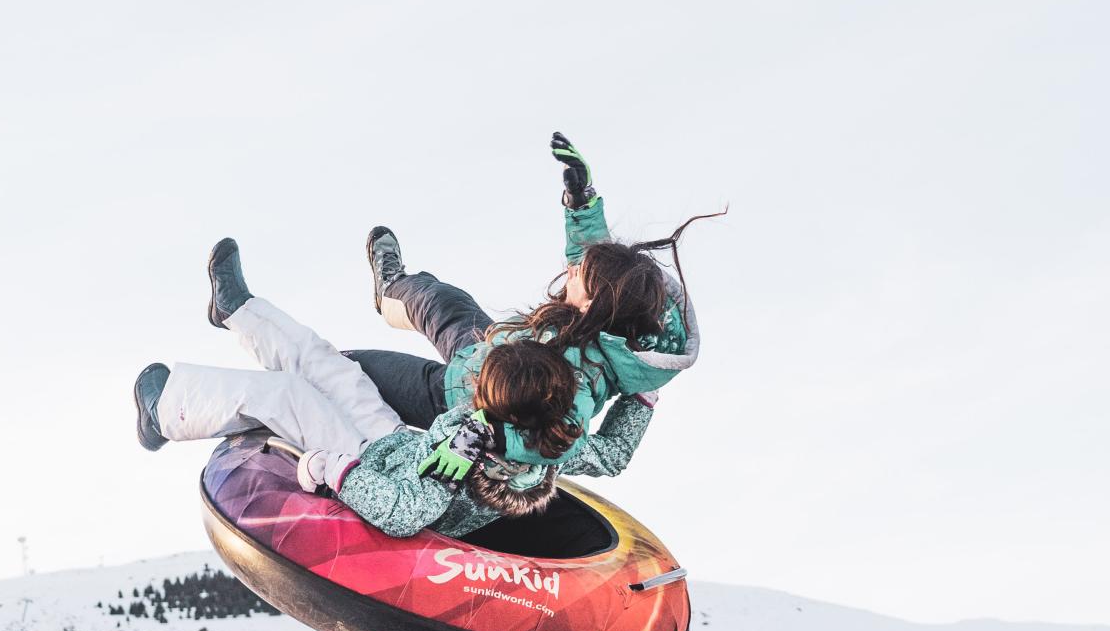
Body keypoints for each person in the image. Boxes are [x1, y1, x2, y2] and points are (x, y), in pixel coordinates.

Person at [133, 239, 577, 539]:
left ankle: (166, 414)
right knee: (331, 368)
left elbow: (405, 513)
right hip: (392, 441)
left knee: (290, 396)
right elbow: (613, 452)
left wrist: (335, 470)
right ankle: (238, 311)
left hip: (367, 465)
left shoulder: (468, 456)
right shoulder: (542, 432)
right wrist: (644, 391)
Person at [348, 131, 718, 477]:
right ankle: (392, 289)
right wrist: (582, 200)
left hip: (457, 400)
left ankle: (325, 428)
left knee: (352, 368)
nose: (571, 273)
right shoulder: (602, 314)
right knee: (445, 300)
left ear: (593, 305)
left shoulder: (579, 381)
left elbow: (558, 442)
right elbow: (591, 253)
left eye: (579, 275)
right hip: (483, 347)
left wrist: (487, 435)